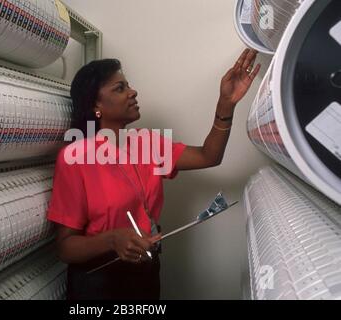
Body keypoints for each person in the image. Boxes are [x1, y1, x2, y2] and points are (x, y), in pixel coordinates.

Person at [47, 49, 260, 300]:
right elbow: (65, 248)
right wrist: (112, 239)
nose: (132, 92)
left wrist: (226, 104)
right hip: (98, 282)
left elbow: (208, 156)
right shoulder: (75, 158)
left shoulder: (146, 143)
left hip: (145, 273)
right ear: (96, 105)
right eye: (119, 88)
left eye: (128, 85)